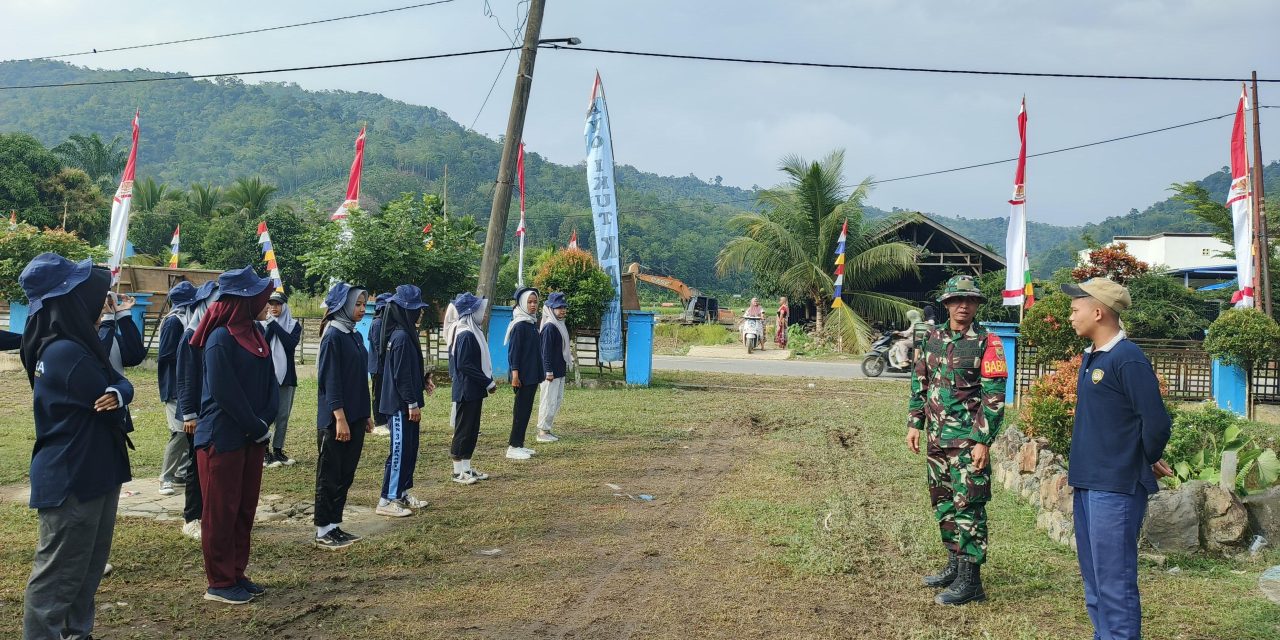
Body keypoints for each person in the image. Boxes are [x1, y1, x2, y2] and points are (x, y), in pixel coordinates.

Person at [19, 253, 133, 640]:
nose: (99, 303)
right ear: (71, 301)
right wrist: (119, 393)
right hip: (74, 475)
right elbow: (112, 400)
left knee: (85, 568)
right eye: (91, 295)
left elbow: (118, 383)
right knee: (59, 577)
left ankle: (76, 634)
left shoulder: (69, 344)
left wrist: (118, 391)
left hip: (92, 469)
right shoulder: (66, 352)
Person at [1062, 278, 1172, 640]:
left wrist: (1143, 456)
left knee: (1114, 579)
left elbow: (1155, 422)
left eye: (1075, 308)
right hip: (1088, 481)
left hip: (1115, 486)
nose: (1070, 315)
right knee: (1094, 577)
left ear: (1098, 312)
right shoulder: (1093, 356)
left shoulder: (1128, 359)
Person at [906, 274, 1007, 606]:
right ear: (947, 304)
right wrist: (915, 423)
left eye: (970, 300)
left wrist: (982, 441)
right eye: (957, 300)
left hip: (966, 442)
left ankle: (972, 581)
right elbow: (920, 380)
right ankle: (955, 565)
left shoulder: (987, 343)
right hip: (936, 439)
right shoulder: (933, 337)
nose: (963, 305)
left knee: (970, 507)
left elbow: (994, 397)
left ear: (977, 305)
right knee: (944, 503)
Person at [190, 266, 278, 605]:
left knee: (244, 508)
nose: (266, 300)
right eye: (260, 295)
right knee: (220, 511)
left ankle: (238, 573)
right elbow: (225, 392)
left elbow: (270, 382)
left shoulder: (256, 333)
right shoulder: (220, 338)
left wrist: (265, 420)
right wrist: (256, 425)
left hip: (251, 437)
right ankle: (220, 581)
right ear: (244, 299)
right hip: (222, 438)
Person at [313, 283, 372, 549]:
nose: (361, 310)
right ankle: (323, 529)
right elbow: (330, 381)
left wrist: (365, 413)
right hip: (335, 420)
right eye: (357, 305)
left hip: (356, 416)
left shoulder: (354, 336)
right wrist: (340, 417)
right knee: (330, 474)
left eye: (363, 305)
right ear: (343, 306)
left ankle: (335, 525)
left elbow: (360, 379)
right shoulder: (333, 336)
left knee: (346, 473)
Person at [376, 285, 433, 517]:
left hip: (408, 403)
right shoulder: (400, 337)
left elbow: (409, 370)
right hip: (399, 406)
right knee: (399, 451)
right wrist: (411, 403)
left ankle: (401, 493)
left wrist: (423, 380)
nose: (420, 313)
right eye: (416, 309)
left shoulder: (408, 334)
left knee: (410, 449)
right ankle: (387, 500)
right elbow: (400, 376)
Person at [176, 281, 217, 541]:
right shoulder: (191, 335)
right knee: (195, 465)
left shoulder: (215, 333)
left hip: (213, 411)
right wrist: (188, 413)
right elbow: (185, 378)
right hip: (197, 414)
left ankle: (211, 514)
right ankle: (192, 517)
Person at [447, 292, 496, 485]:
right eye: (481, 312)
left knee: (472, 429)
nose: (484, 316)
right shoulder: (465, 334)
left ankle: (467, 467)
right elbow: (465, 365)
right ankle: (457, 471)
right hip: (467, 390)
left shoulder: (472, 331)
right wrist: (487, 381)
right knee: (463, 430)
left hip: (473, 390)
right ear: (471, 313)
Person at [157, 281, 198, 496]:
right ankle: (166, 477)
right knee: (180, 431)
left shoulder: (187, 320)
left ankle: (181, 472)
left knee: (188, 430)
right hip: (173, 384)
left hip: (184, 383)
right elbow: (165, 354)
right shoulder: (174, 322)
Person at [262, 291, 302, 468]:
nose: (273, 307)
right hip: (267, 375)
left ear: (284, 306)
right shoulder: (263, 324)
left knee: (283, 415)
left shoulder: (294, 325)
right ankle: (264, 452)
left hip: (287, 376)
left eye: (277, 304)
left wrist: (274, 324)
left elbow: (289, 344)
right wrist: (270, 324)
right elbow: (263, 343)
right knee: (265, 414)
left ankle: (278, 450)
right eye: (270, 304)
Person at [505, 287, 543, 460]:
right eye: (529, 302)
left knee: (526, 410)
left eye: (535, 302)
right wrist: (515, 374)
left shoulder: (531, 323)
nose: (533, 305)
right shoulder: (519, 325)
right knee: (520, 411)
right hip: (522, 376)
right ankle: (513, 446)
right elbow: (514, 352)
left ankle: (520, 444)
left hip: (532, 375)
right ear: (522, 303)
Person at [536, 292, 571, 443]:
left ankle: (547, 429)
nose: (562, 310)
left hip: (559, 370)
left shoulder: (559, 325)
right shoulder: (550, 326)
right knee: (548, 400)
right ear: (550, 309)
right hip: (551, 373)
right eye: (558, 307)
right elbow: (545, 352)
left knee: (555, 400)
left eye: (563, 307)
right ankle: (542, 432)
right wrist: (548, 371)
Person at [98, 292, 146, 372]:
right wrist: (107, 320)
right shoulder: (76, 335)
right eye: (103, 305)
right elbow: (99, 361)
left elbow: (135, 357)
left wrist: (123, 317)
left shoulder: (112, 336)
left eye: (110, 305)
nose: (108, 309)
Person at [368, 292, 393, 437]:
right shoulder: (377, 323)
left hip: (384, 366)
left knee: (384, 394)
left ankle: (385, 420)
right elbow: (380, 348)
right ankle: (378, 422)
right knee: (377, 395)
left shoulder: (384, 322)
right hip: (378, 366)